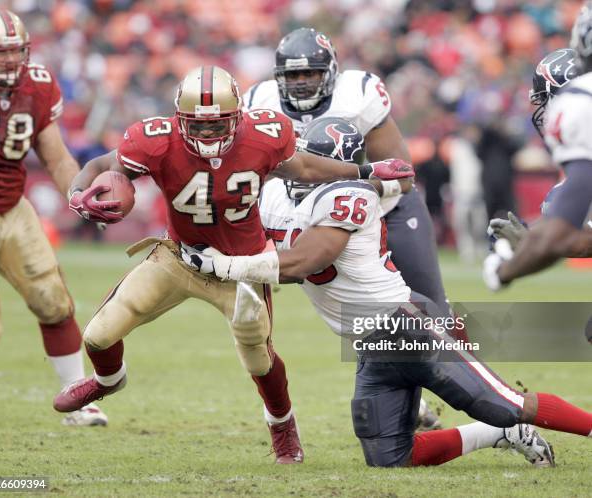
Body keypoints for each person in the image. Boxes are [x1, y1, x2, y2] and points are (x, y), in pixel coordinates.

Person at [52, 65, 413, 463]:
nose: (207, 135)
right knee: (98, 335)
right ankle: (107, 379)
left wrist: (365, 170)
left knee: (258, 357)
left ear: (238, 116)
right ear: (179, 119)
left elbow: (308, 167)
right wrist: (77, 193)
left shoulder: (264, 134)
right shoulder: (153, 139)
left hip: (241, 265)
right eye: (197, 126)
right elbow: (104, 166)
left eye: (217, 125)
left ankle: (283, 426)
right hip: (178, 256)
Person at [184, 117, 592, 468]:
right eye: (299, 159)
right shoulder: (275, 194)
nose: (300, 170)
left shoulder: (349, 195)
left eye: (314, 162)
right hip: (369, 340)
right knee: (390, 457)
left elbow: (306, 261)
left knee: (503, 403)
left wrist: (224, 265)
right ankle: (498, 435)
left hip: (407, 323)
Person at [244, 27, 447, 429]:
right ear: (278, 77)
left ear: (332, 72)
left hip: (385, 206)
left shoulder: (359, 93)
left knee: (430, 306)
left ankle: (471, 386)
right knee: (356, 311)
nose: (302, 82)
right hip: (313, 213)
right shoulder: (260, 102)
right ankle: (407, 400)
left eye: (311, 74)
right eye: (294, 75)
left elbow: (402, 174)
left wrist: (344, 184)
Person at [0, 8, 107, 426]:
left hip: (13, 211)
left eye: (17, 52)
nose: (11, 62)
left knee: (54, 303)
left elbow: (54, 155)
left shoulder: (36, 84)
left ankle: (77, 402)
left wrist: (79, 194)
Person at [484, 8, 592, 292]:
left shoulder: (580, 104)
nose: (544, 114)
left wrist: (503, 271)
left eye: (547, 100)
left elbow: (566, 237)